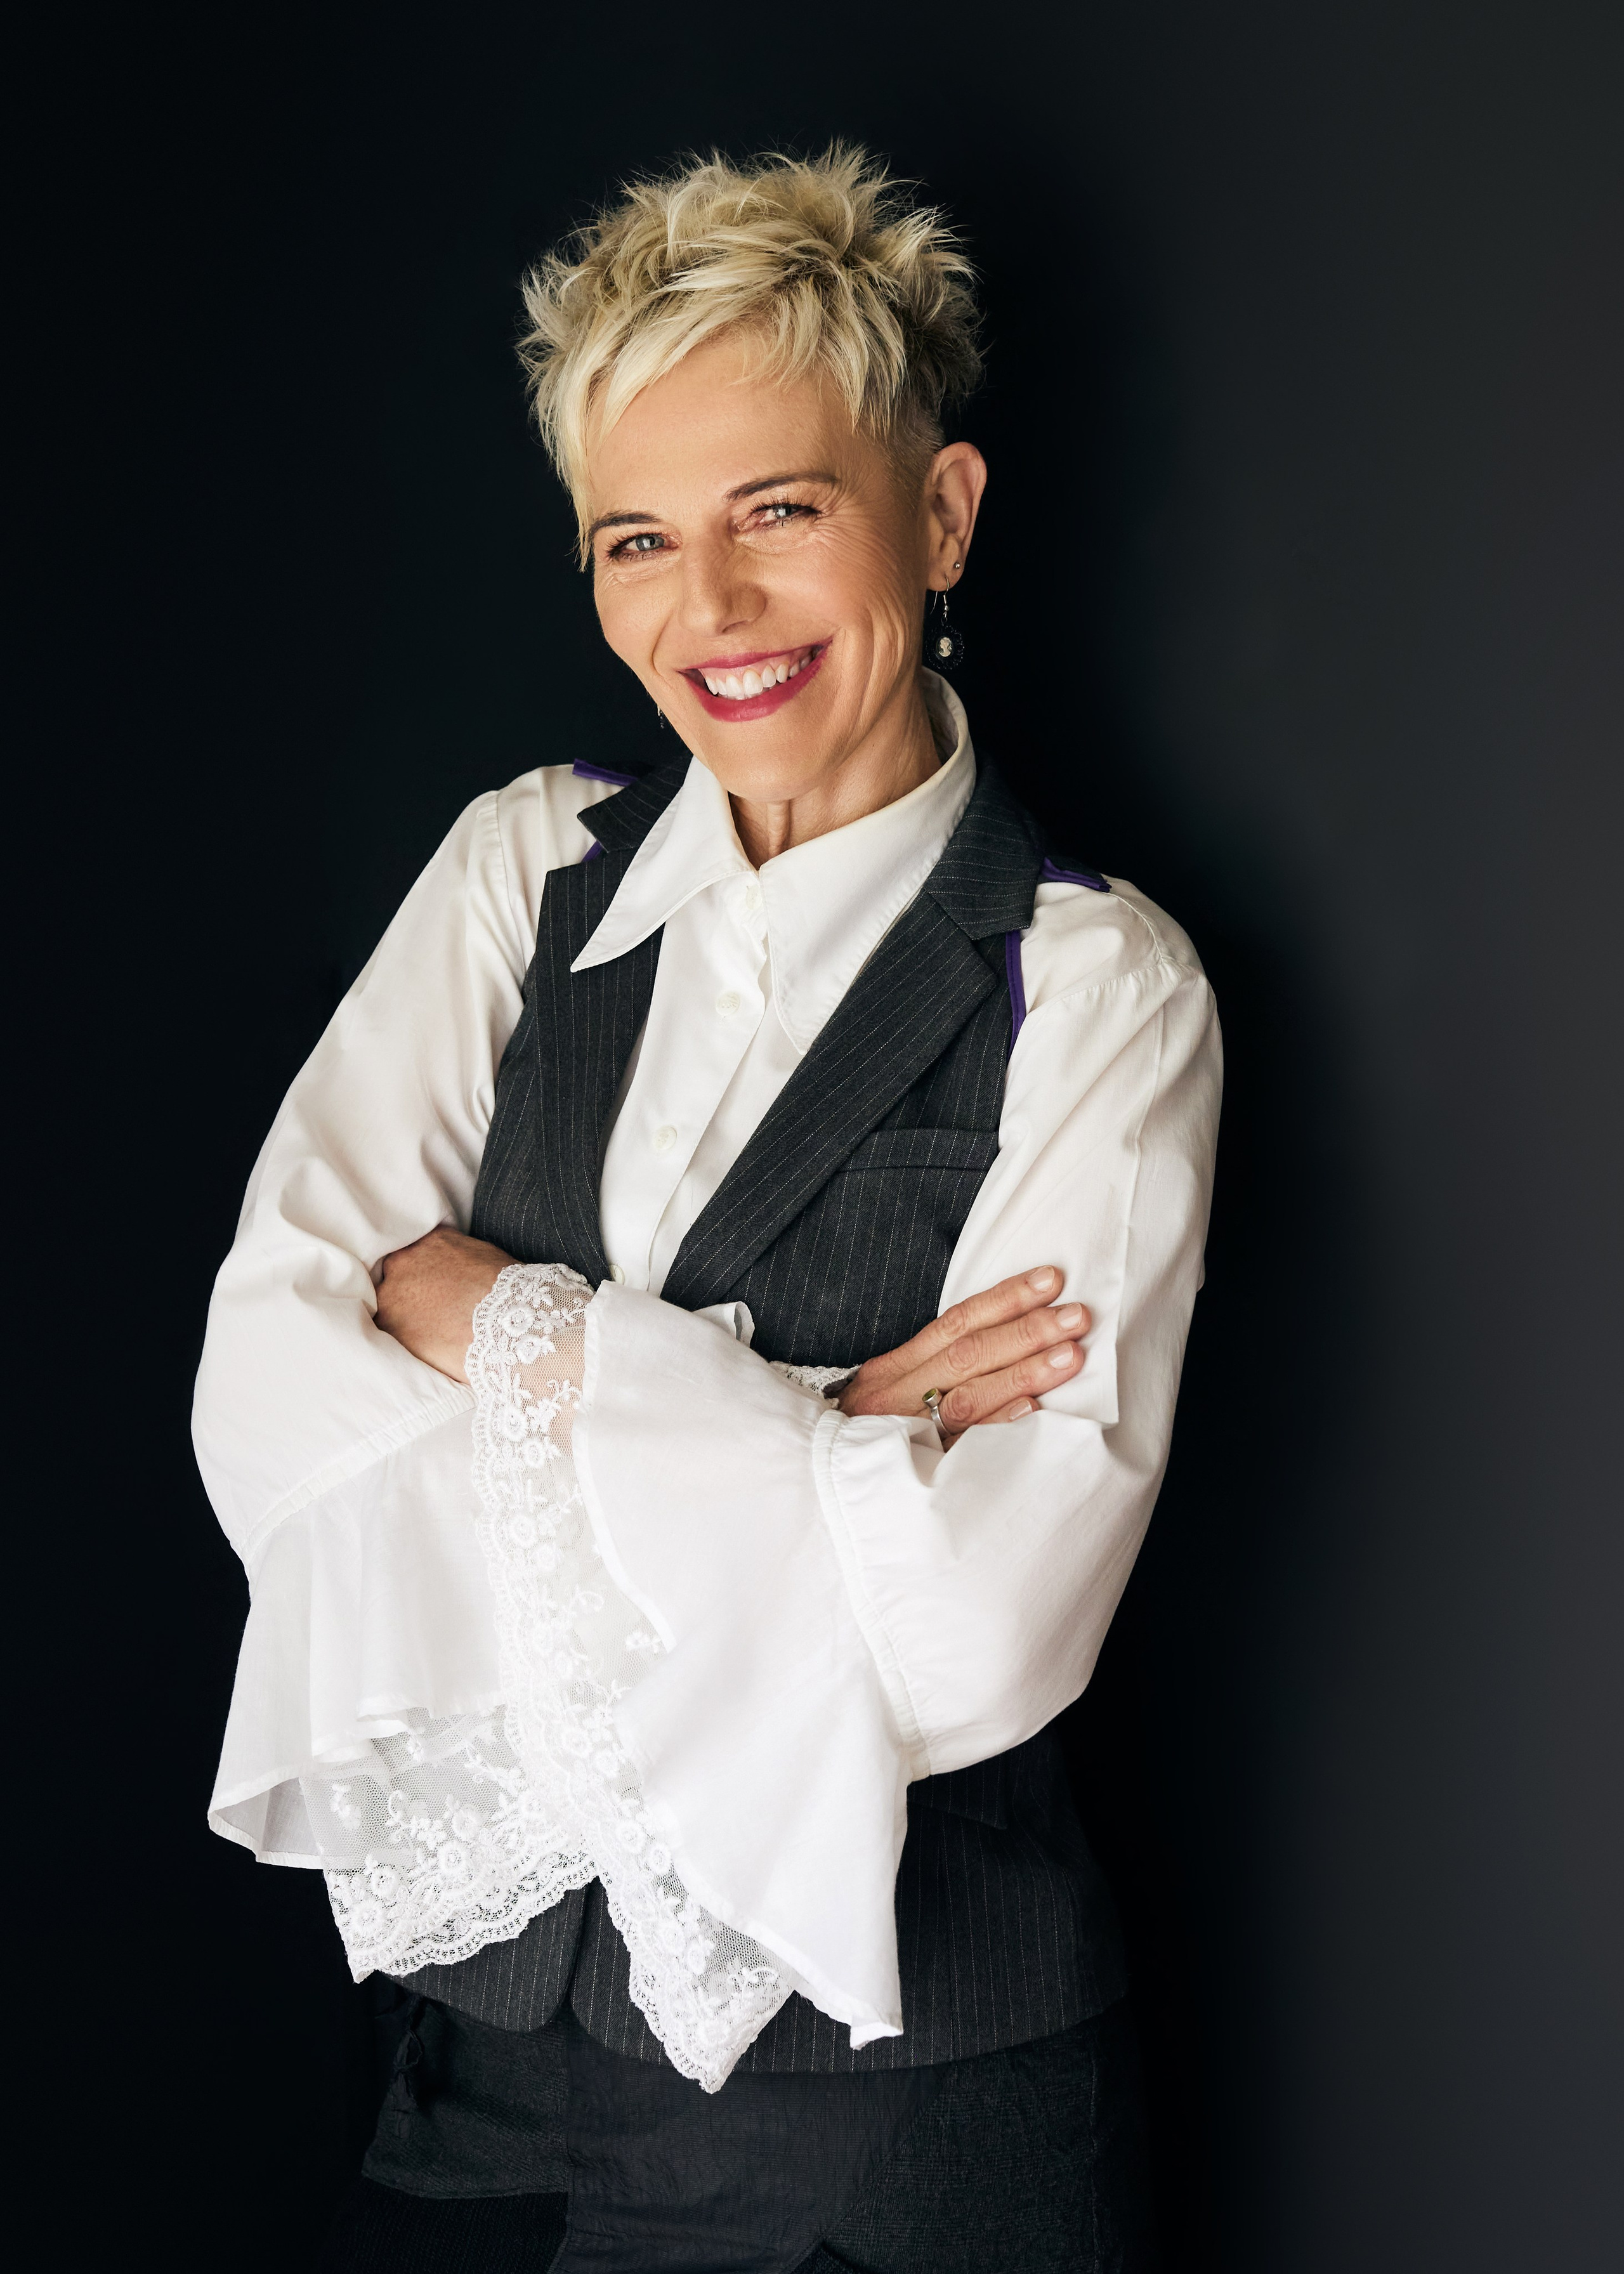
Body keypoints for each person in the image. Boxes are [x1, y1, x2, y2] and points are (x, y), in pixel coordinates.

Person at [195, 145, 1221, 2273]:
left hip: (900, 2122)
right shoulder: (519, 874)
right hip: (475, 2083)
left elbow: (975, 1631)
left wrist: (494, 1330)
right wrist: (809, 1432)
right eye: (638, 540)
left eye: (782, 511)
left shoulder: (1092, 983)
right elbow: (268, 1431)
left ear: (937, 517)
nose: (710, 611)